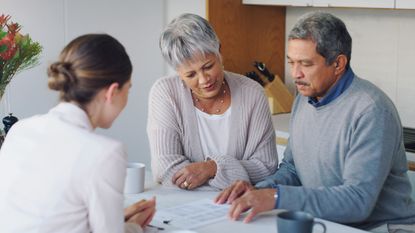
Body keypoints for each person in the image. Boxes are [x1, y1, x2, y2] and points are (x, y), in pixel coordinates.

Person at [215, 12, 415, 232]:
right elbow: (293, 169)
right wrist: (258, 190)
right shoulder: (304, 98)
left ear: (338, 64)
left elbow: (358, 201)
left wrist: (276, 196)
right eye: (291, 62)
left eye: (306, 64)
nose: (295, 74)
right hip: (330, 222)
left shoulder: (371, 110)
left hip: (379, 228)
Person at [0, 34, 155, 233]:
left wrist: (118, 218)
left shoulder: (20, 130)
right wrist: (134, 227)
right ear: (112, 91)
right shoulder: (105, 153)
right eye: (128, 89)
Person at [147, 13, 278, 190]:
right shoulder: (166, 93)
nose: (203, 80)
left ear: (219, 52)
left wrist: (212, 168)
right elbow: (166, 170)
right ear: (178, 72)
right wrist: (234, 175)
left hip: (239, 205)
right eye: (190, 74)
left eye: (208, 66)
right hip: (183, 208)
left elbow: (266, 168)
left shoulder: (253, 93)